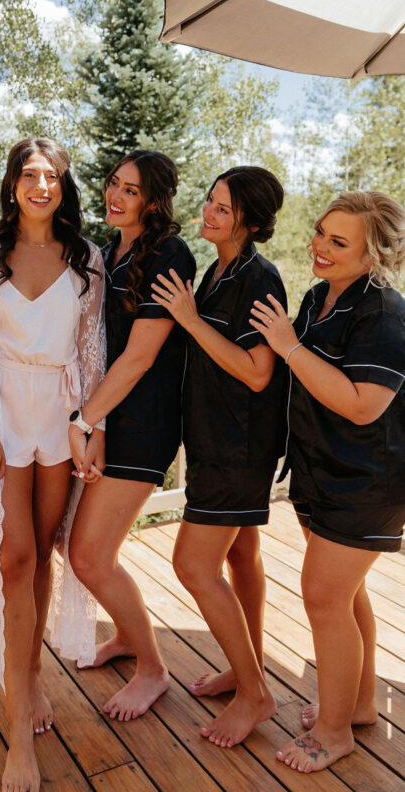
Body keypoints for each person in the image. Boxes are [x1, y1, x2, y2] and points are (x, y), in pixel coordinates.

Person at [0, 138, 105, 792]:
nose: (41, 185)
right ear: (12, 182)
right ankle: (18, 734)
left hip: (61, 414)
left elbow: (91, 349)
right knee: (13, 559)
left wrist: (87, 426)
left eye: (53, 176)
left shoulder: (86, 258)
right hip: (5, 411)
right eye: (29, 174)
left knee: (41, 553)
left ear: (65, 187)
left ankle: (33, 679)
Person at [248, 190, 405, 773]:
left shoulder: (386, 313)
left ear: (374, 255)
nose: (319, 246)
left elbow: (364, 406)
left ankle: (336, 732)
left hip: (368, 482)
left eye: (339, 242)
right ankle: (358, 706)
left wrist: (287, 346)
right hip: (320, 472)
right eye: (319, 231)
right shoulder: (319, 297)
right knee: (345, 595)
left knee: (323, 597)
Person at [152, 165, 286, 749]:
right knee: (242, 556)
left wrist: (187, 318)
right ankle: (245, 665)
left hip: (240, 444)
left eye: (223, 208)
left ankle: (256, 693)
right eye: (210, 201)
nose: (208, 212)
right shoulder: (219, 270)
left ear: (251, 223)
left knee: (192, 565)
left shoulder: (261, 278)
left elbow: (259, 373)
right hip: (214, 439)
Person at [66, 150, 195, 721]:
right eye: (114, 184)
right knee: (86, 547)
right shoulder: (106, 248)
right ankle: (125, 635)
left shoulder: (170, 254)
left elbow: (140, 357)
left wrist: (84, 421)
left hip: (142, 424)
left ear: (155, 200)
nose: (116, 196)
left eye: (132, 190)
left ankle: (153, 669)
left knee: (89, 556)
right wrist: (88, 420)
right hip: (103, 417)